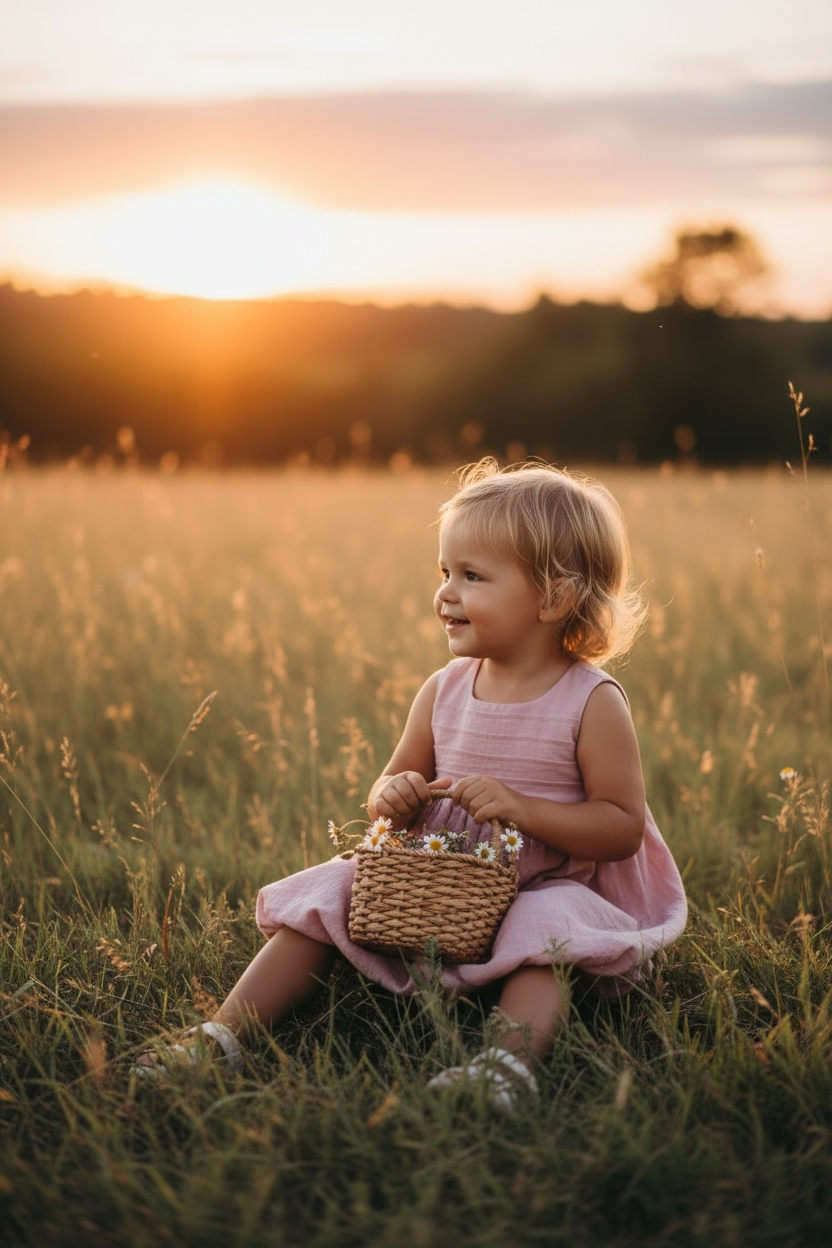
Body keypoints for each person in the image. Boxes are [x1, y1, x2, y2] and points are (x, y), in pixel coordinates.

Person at [136, 460, 687, 1108]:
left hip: (542, 884)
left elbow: (621, 827)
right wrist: (390, 797)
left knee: (552, 929)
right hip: (432, 890)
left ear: (553, 598)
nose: (445, 594)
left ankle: (502, 1069)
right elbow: (396, 778)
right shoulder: (444, 689)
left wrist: (525, 809)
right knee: (333, 887)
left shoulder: (591, 701)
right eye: (444, 573)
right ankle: (220, 1036)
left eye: (472, 576)